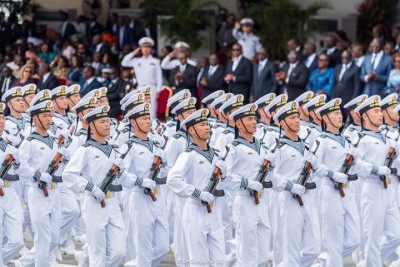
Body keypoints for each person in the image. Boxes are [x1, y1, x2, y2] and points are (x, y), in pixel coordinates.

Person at [62, 104, 126, 266]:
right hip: (94, 202)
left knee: (119, 252)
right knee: (97, 251)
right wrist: (91, 187)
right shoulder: (86, 150)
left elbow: (121, 177)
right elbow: (69, 175)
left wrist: (122, 170)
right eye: (102, 122)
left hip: (113, 202)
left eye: (108, 121)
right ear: (91, 125)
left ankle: (85, 260)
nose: (107, 125)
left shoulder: (113, 149)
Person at [167, 108, 227, 267]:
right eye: (201, 125)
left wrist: (226, 174)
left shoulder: (216, 154)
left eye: (207, 123)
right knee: (199, 261)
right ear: (192, 130)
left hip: (214, 210)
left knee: (219, 261)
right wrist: (197, 193)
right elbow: (173, 179)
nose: (207, 127)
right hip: (195, 210)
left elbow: (226, 183)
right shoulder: (188, 155)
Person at [306, 98, 361, 266]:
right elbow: (312, 162)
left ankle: (326, 259)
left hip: (347, 190)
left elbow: (355, 165)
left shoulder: (346, 139)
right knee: (334, 240)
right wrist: (332, 174)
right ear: (325, 118)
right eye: (335, 114)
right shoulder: (321, 139)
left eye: (340, 113)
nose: (340, 117)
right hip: (330, 191)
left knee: (355, 239)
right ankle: (331, 258)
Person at [16, 100, 69, 267]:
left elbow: (61, 168)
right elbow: (21, 167)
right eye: (44, 115)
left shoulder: (54, 141)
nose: (48, 119)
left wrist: (65, 158)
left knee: (54, 238)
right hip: (39, 192)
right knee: (43, 238)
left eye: (49, 115)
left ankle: (24, 263)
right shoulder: (29, 141)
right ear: (35, 119)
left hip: (54, 192)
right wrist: (38, 175)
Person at [268, 100, 321, 266]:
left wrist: (316, 166)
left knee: (314, 247)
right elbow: (269, 175)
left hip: (308, 197)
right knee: (291, 248)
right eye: (292, 117)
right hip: (289, 199)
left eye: (298, 116)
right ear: (282, 122)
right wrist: (290, 185)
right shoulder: (277, 147)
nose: (297, 120)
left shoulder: (306, 146)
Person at [352, 95, 400, 266]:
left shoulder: (387, 137)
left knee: (396, 236)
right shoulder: (360, 138)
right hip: (372, 188)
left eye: (381, 111)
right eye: (376, 111)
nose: (380, 114)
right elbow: (353, 164)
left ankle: (369, 261)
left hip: (389, 189)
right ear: (365, 116)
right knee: (373, 235)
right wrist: (375, 169)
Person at [120, 102, 169, 266]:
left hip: (158, 197)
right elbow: (121, 175)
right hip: (140, 198)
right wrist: (140, 182)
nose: (148, 121)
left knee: (163, 248)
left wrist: (165, 165)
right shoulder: (129, 146)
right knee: (143, 247)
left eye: (149, 118)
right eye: (144, 118)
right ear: (133, 122)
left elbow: (165, 174)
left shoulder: (156, 144)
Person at [0, 102, 24, 266]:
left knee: (17, 242)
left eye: (2, 117)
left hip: (10, 191)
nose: (1, 121)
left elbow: (20, 169)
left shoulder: (9, 141)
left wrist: (17, 161)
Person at [121, 37, 163, 117]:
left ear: (151, 49)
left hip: (151, 88)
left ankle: (152, 128)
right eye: (143, 47)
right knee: (140, 110)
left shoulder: (155, 61)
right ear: (141, 49)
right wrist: (133, 53)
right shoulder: (136, 61)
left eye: (148, 47)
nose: (146, 49)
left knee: (151, 110)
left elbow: (159, 77)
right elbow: (124, 62)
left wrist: (158, 90)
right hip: (140, 88)